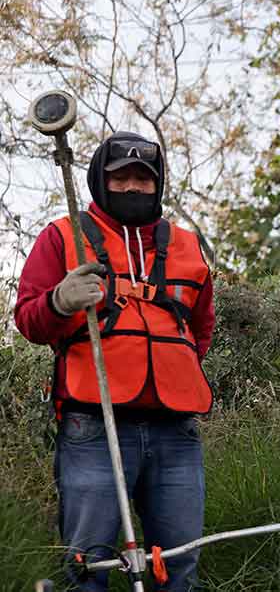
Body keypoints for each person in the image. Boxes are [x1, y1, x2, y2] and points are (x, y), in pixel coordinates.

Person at [14, 131, 214, 591]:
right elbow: (28, 319)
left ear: (157, 183)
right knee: (88, 567)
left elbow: (200, 328)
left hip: (176, 430)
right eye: (120, 176)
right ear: (100, 181)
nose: (131, 187)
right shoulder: (64, 235)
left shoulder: (186, 244)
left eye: (143, 179)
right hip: (94, 426)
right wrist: (60, 302)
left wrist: (175, 370)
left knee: (179, 566)